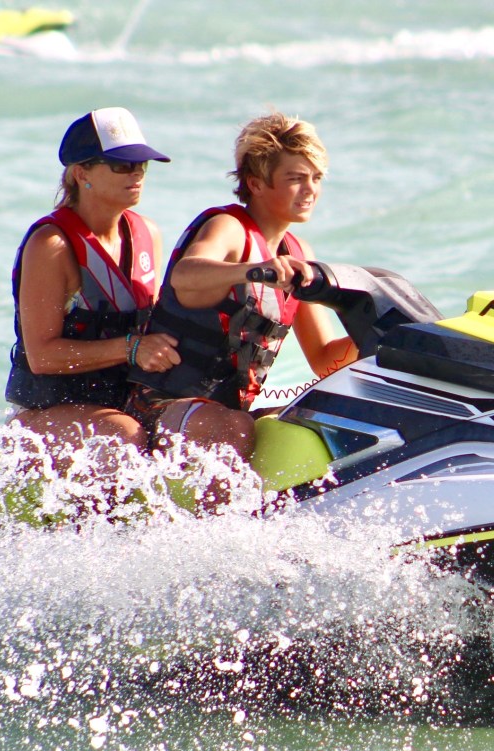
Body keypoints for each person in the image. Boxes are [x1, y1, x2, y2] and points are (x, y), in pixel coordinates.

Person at [126, 112, 358, 488]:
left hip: (226, 410)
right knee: (233, 426)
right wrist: (253, 270)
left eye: (317, 178)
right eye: (296, 178)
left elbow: (323, 358)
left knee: (322, 415)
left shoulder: (298, 253)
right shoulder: (229, 228)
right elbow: (186, 275)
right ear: (256, 183)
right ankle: (219, 527)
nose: (310, 189)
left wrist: (379, 338)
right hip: (156, 405)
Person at [5, 106, 180, 475]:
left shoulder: (148, 233)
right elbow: (42, 357)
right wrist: (131, 348)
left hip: (122, 405)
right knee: (124, 434)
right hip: (47, 415)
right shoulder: (51, 245)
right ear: (81, 173)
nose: (136, 174)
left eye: (141, 165)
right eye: (122, 165)